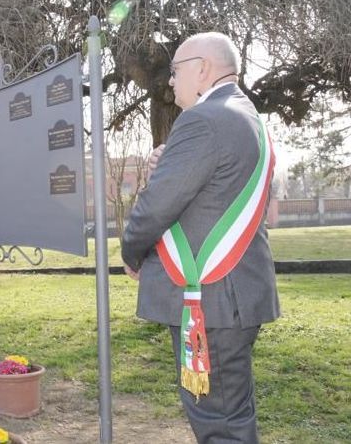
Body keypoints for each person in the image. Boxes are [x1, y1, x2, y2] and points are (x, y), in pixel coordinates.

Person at [121, 32, 279, 443]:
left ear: (203, 69)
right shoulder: (247, 116)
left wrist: (131, 251)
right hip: (236, 295)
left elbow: (157, 206)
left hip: (212, 300)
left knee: (220, 425)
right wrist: (166, 163)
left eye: (176, 71)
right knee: (231, 413)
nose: (171, 82)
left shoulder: (203, 120)